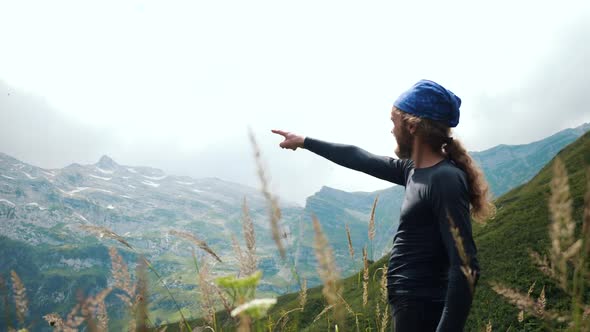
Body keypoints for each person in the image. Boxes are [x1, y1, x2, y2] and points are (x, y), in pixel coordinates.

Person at [271, 79, 494, 332]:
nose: (391, 130)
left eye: (393, 122)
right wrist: (305, 141)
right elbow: (359, 157)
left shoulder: (444, 179)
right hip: (410, 307)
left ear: (411, 127)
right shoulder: (413, 170)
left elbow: (466, 266)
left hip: (425, 309)